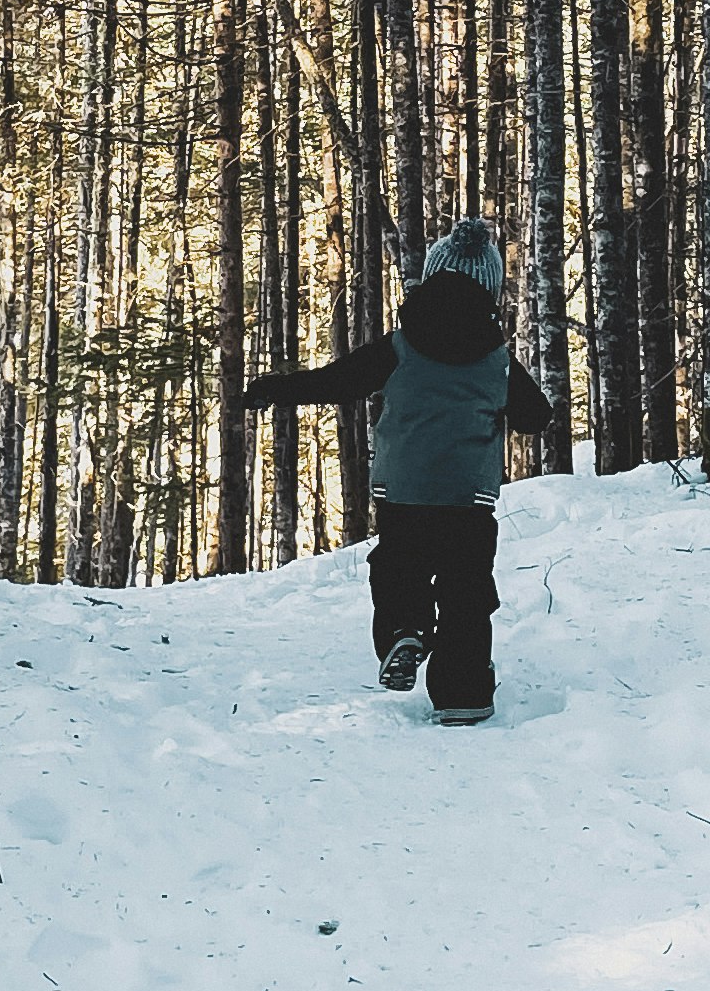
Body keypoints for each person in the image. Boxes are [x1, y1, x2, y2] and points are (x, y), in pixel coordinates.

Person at [237, 217, 553, 720]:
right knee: (465, 591)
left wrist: (276, 388)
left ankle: (404, 631)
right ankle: (463, 693)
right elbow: (537, 418)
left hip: (402, 489)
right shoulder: (497, 362)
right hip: (468, 499)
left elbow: (337, 381)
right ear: (491, 289)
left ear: (429, 278)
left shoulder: (399, 347)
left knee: (397, 568)